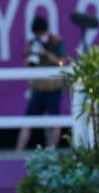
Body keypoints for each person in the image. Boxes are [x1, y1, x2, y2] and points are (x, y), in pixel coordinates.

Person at [15, 16, 66, 152]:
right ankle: (17, 152)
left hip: (53, 88)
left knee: (55, 122)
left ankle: (50, 151)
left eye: (41, 33)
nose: (39, 36)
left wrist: (46, 54)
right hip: (38, 89)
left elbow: (62, 62)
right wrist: (29, 53)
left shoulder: (57, 42)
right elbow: (28, 65)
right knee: (27, 122)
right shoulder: (32, 43)